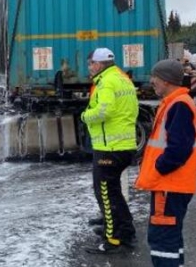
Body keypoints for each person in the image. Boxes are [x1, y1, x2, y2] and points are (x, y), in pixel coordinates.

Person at [135, 59, 196, 267]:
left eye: (155, 77)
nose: (152, 81)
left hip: (169, 186)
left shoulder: (179, 105)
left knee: (163, 240)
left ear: (166, 80)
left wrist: (158, 168)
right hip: (171, 186)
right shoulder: (176, 102)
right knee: (170, 239)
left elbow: (178, 149)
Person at [81, 48, 138, 254]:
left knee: (106, 193)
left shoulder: (106, 82)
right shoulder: (123, 79)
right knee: (113, 192)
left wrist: (85, 116)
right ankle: (125, 231)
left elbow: (105, 110)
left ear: (99, 64)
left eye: (91, 64)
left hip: (109, 148)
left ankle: (113, 240)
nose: (89, 67)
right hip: (122, 146)